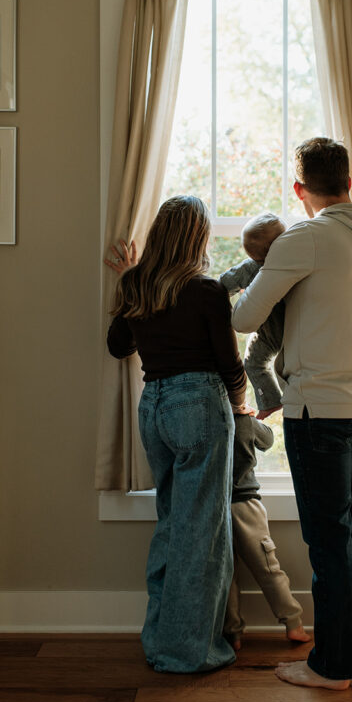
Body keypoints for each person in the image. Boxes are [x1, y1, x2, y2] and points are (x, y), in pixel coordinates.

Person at [232, 138, 352, 691]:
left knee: (330, 537)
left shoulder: (305, 238)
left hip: (321, 410)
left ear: (301, 190)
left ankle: (332, 666)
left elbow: (244, 317)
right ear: (349, 184)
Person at [105, 196, 248, 674]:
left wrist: (127, 279)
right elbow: (230, 365)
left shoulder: (140, 285)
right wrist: (240, 401)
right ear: (199, 237)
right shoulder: (205, 291)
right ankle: (188, 653)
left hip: (154, 408)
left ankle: (160, 641)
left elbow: (117, 346)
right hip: (199, 404)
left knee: (171, 524)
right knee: (201, 533)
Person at [224, 410, 311, 651]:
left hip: (214, 507)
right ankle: (293, 623)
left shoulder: (204, 418)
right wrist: (250, 415)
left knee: (226, 574)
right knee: (268, 567)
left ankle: (233, 633)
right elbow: (269, 440)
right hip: (246, 504)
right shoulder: (245, 421)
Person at [219, 212, 287, 419]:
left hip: (267, 333)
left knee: (254, 363)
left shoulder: (249, 269)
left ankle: (270, 401)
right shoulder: (290, 264)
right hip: (295, 329)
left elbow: (222, 283)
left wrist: (227, 306)